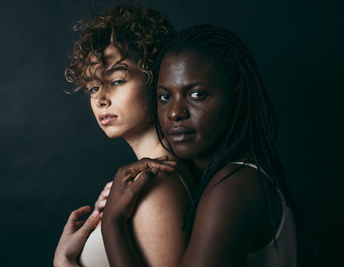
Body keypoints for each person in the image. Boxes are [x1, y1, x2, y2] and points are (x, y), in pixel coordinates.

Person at [100, 24, 298, 266]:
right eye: (165, 96)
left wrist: (112, 224)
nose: (174, 113)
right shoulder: (211, 177)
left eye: (196, 95)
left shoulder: (233, 187)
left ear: (235, 94)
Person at [53, 5, 195, 267]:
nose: (100, 99)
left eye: (117, 81)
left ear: (156, 79)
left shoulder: (155, 187)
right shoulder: (138, 182)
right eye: (93, 87)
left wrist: (64, 261)